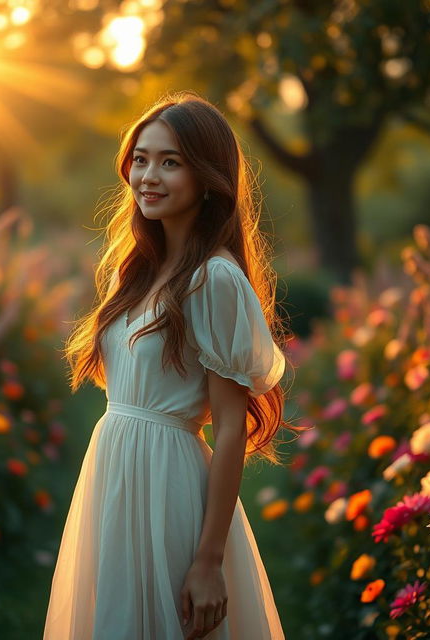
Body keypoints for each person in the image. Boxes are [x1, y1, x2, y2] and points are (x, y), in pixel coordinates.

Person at [43, 91, 298, 640]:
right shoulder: (135, 272)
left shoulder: (215, 278)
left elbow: (229, 428)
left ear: (208, 178)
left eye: (170, 161)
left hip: (169, 482)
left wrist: (207, 562)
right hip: (113, 471)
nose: (148, 176)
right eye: (141, 158)